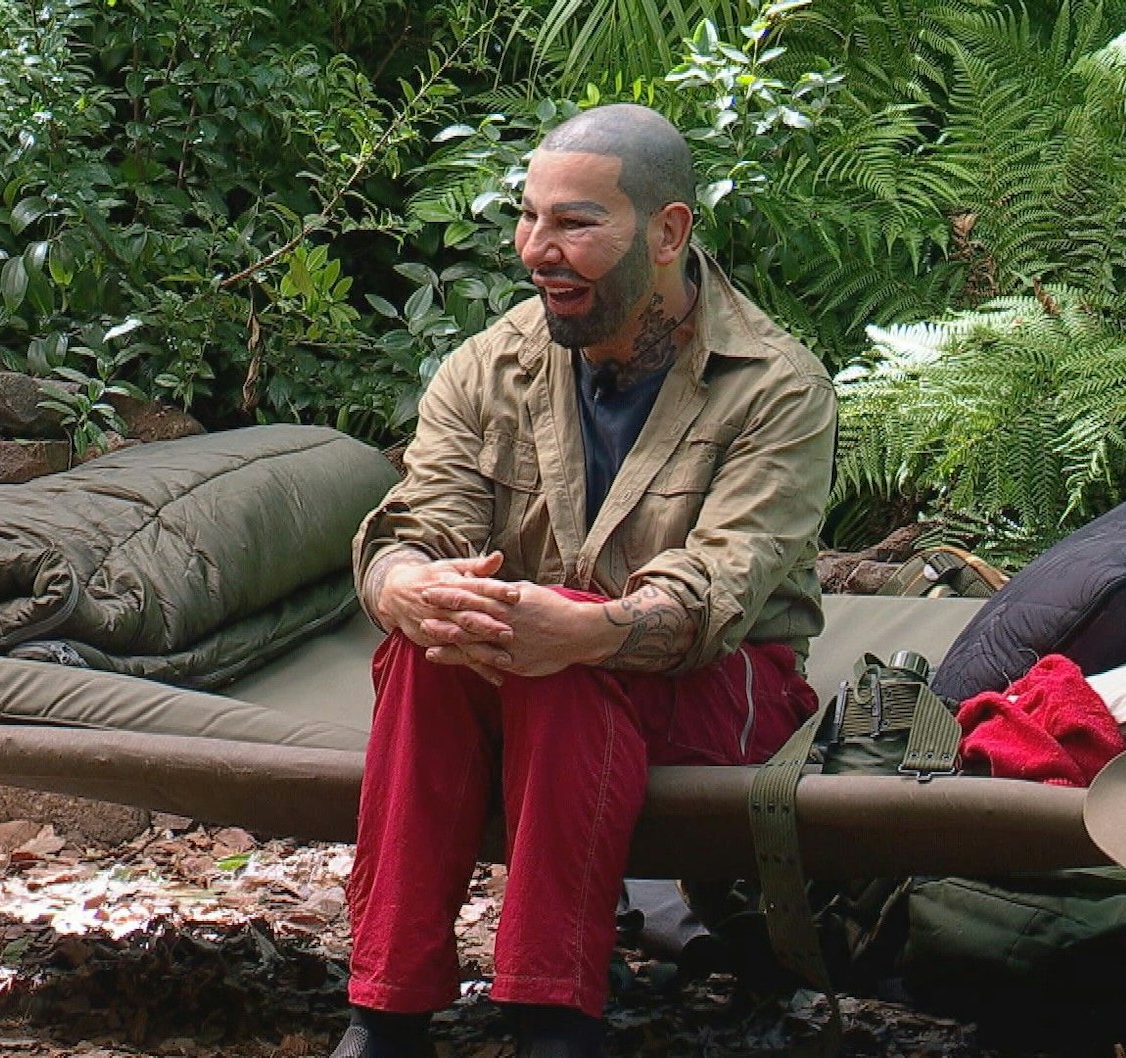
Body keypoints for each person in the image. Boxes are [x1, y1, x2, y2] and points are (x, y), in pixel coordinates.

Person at [335, 102, 837, 1058]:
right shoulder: (492, 364)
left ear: (667, 233)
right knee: (427, 648)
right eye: (529, 218)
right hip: (536, 670)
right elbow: (421, 516)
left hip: (724, 687)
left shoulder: (777, 387)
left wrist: (580, 631)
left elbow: (718, 591)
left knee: (557, 654)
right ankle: (388, 1015)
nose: (537, 248)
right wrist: (402, 581)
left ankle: (552, 1019)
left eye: (575, 223)